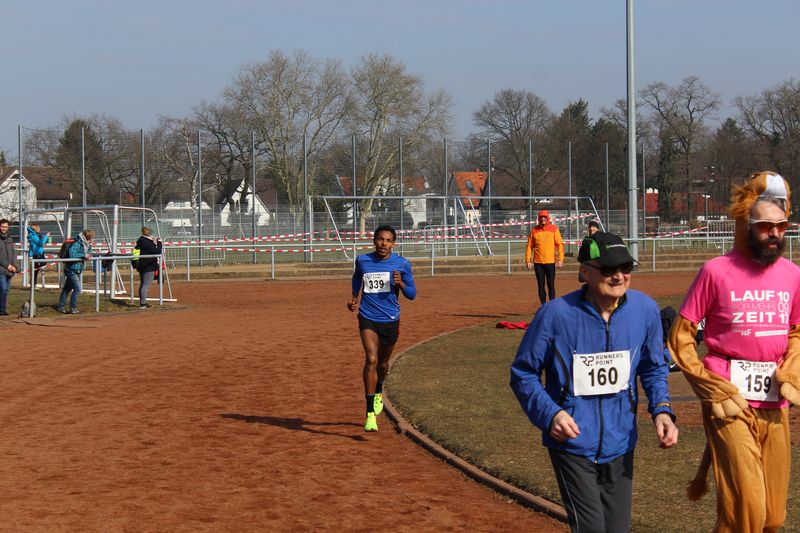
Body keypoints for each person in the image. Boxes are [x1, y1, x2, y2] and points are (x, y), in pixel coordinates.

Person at [511, 231, 678, 533]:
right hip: (571, 443)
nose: (619, 276)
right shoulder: (554, 315)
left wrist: (662, 410)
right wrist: (551, 414)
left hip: (621, 440)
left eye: (626, 267)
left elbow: (654, 367)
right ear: (585, 272)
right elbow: (523, 373)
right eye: (609, 268)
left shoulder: (646, 310)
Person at [668, 171, 800, 532]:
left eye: (782, 227)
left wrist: (793, 368)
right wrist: (712, 388)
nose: (774, 234)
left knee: (772, 516)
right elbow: (680, 338)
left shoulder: (793, 275)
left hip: (774, 402)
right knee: (748, 508)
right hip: (728, 401)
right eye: (765, 226)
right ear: (746, 225)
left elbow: (797, 332)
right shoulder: (715, 272)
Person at [348, 225, 416, 432]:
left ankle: (379, 390)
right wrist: (354, 297)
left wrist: (401, 284)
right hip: (367, 317)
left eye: (388, 240)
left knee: (383, 363)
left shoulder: (402, 264)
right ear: (374, 241)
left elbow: (412, 294)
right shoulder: (362, 260)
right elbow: (357, 277)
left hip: (390, 319)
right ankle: (370, 415)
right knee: (371, 359)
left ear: (393, 243)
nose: (383, 243)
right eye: (380, 239)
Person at [525, 210, 564, 306]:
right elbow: (529, 246)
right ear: (539, 219)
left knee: (551, 285)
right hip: (538, 263)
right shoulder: (534, 230)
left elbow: (560, 244)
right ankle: (543, 305)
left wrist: (560, 259)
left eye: (544, 217)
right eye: (541, 217)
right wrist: (528, 260)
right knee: (540, 285)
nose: (543, 219)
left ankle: (552, 306)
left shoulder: (554, 229)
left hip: (550, 262)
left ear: (547, 218)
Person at [57, 229, 94, 314]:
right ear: (88, 237)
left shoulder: (86, 244)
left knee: (67, 289)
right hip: (71, 269)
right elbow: (72, 254)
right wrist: (84, 255)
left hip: (76, 269)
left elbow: (88, 252)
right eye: (91, 237)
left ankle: (61, 306)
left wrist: (89, 252)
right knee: (77, 289)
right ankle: (72, 307)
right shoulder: (77, 243)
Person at [135, 227, 163, 309]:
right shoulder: (146, 242)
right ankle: (143, 304)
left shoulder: (141, 241)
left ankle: (143, 302)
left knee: (143, 284)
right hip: (148, 265)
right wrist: (159, 243)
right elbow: (157, 251)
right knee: (146, 284)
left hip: (143, 265)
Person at [0, 219, 18, 316]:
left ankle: (2, 309)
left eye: (6, 227)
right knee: (2, 289)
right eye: (2, 226)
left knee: (6, 290)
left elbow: (13, 253)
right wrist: (8, 266)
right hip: (1, 269)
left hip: (9, 270)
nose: (4, 228)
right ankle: (1, 310)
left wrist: (14, 266)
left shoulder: (10, 239)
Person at [27, 222, 50, 287]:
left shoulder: (35, 235)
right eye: (38, 227)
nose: (40, 229)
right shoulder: (33, 236)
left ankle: (33, 284)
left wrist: (46, 239)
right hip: (38, 255)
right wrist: (46, 236)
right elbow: (40, 243)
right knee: (37, 268)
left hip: (38, 254)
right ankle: (33, 284)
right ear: (35, 228)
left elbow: (41, 243)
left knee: (35, 270)